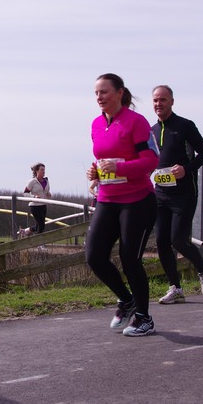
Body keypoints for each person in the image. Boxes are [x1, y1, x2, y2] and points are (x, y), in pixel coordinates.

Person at [86, 74, 158, 337]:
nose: (99, 97)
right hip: (107, 198)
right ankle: (126, 300)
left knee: (130, 259)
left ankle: (144, 318)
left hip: (137, 200)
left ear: (119, 93)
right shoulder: (96, 124)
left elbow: (151, 160)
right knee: (94, 257)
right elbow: (104, 159)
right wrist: (95, 173)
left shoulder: (136, 122)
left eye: (104, 92)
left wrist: (121, 168)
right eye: (96, 93)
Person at [149, 85, 203, 305]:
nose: (159, 104)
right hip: (161, 193)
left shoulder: (185, 126)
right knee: (161, 241)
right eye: (155, 100)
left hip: (184, 193)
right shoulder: (151, 131)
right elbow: (150, 158)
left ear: (172, 101)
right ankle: (175, 288)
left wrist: (186, 169)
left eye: (163, 99)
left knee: (178, 240)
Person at [18, 163, 52, 237]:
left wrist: (48, 194)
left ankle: (25, 231)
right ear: (37, 171)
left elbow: (45, 191)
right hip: (35, 206)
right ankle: (38, 241)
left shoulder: (46, 181)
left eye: (44, 170)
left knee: (39, 225)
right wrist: (34, 197)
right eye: (41, 170)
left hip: (43, 205)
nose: (43, 172)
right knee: (41, 226)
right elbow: (25, 193)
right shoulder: (32, 182)